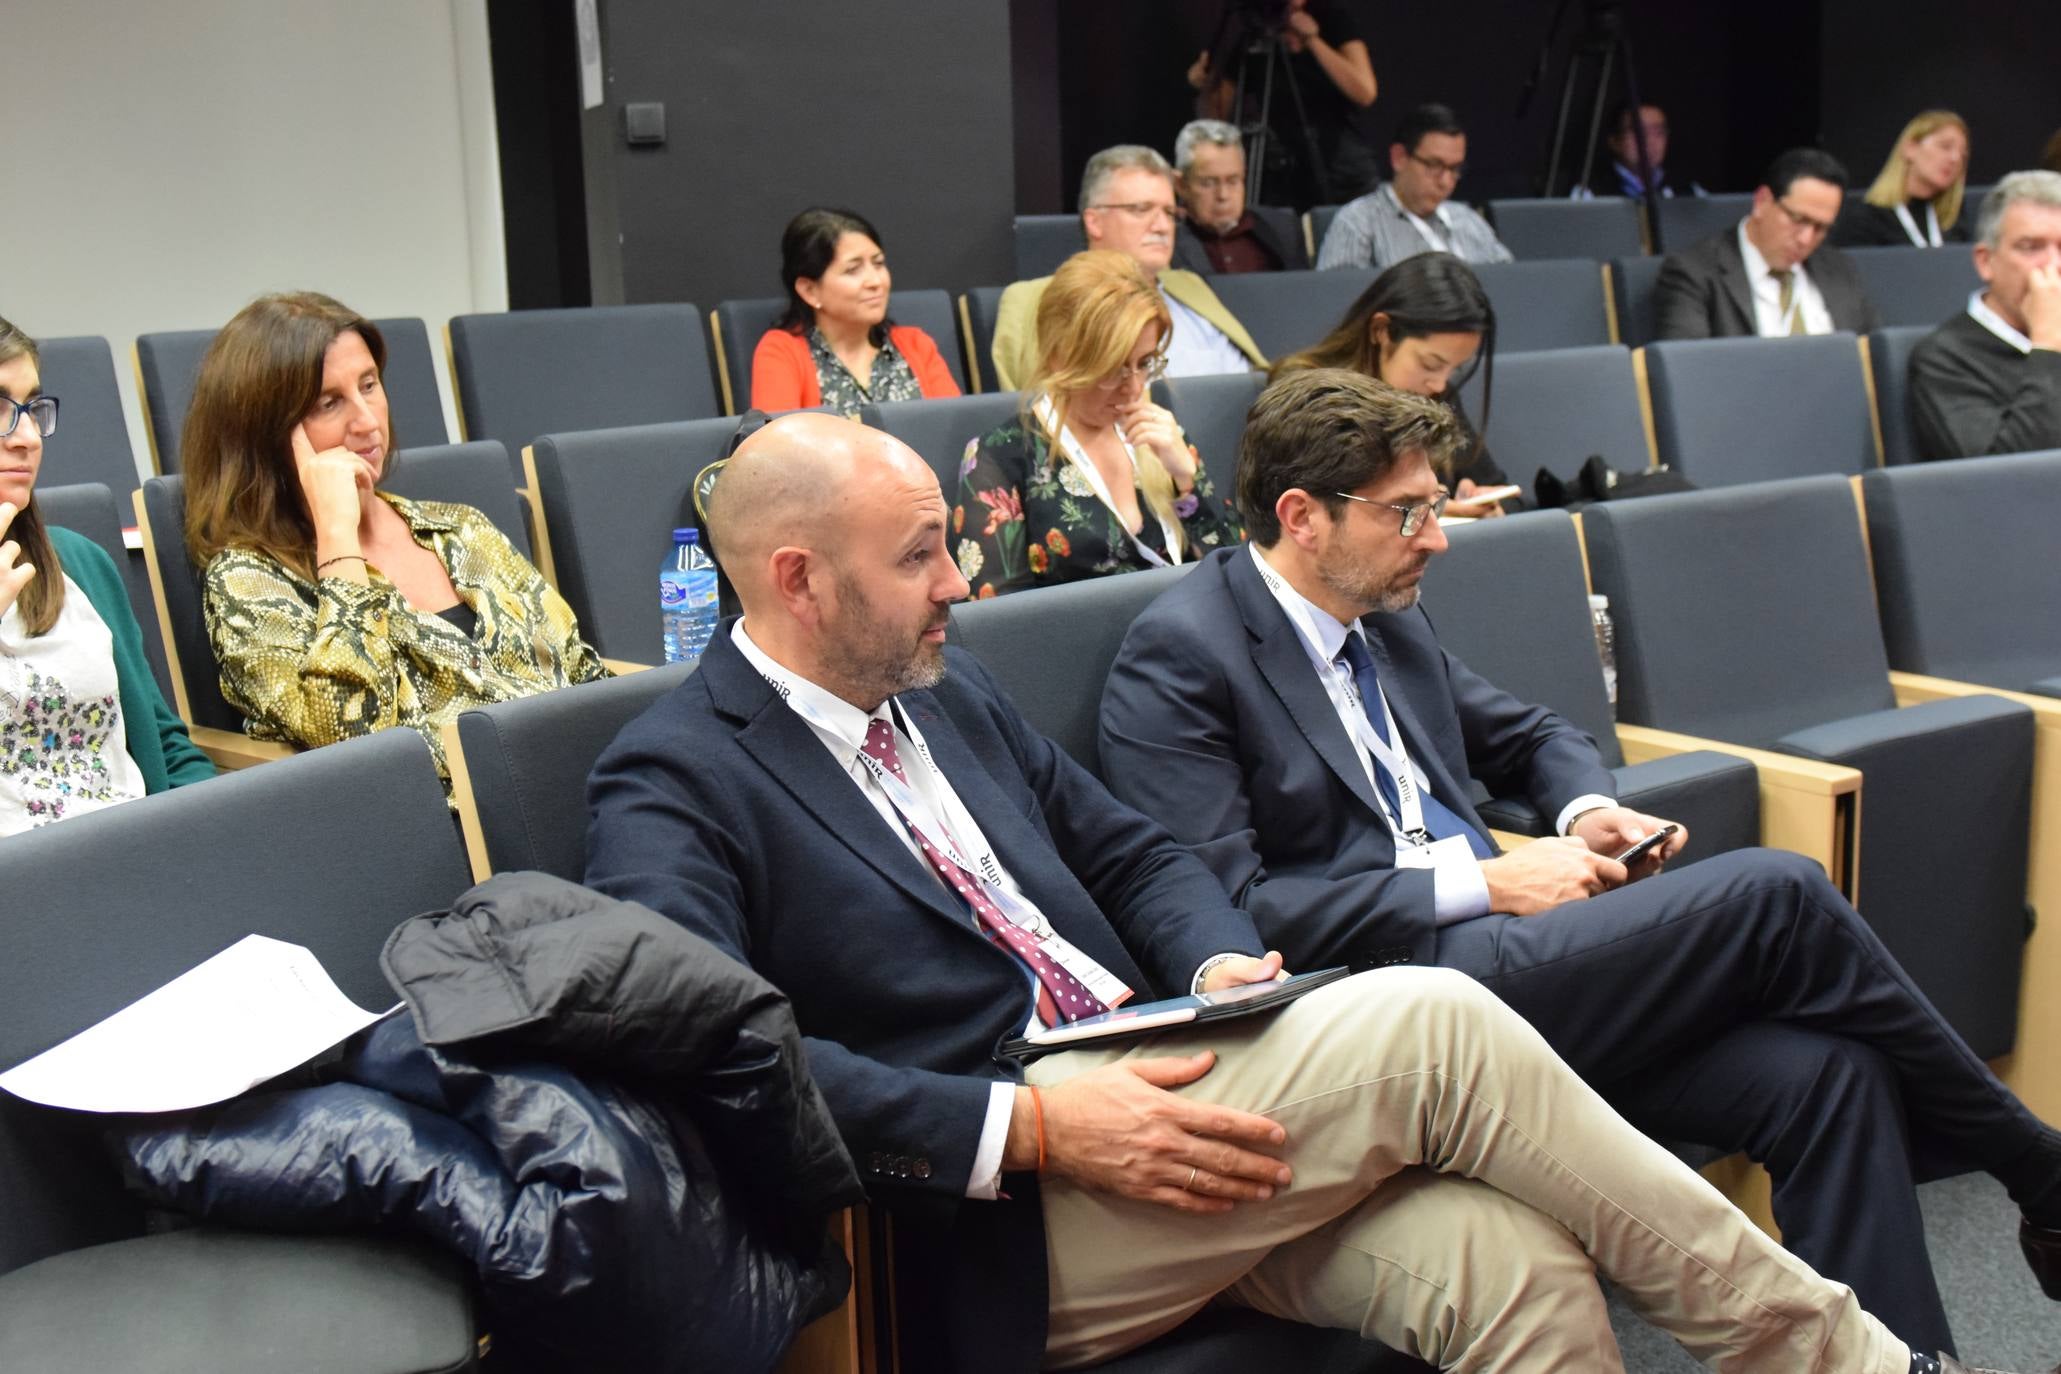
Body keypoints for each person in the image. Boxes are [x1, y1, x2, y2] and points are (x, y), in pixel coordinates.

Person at [583, 408, 1981, 1374]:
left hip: (1169, 1077)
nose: (959, 582)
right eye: (919, 557)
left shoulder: (947, 697)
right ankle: (1842, 1355)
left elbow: (1135, 853)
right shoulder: (675, 777)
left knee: (1521, 1267)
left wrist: (1218, 965)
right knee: (1432, 1021)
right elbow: (713, 1054)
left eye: (950, 542)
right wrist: (1033, 1128)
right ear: (796, 580)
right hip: (994, 1215)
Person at [1096, 367, 2061, 1361]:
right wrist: (1487, 881)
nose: (1437, 537)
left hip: (1522, 969)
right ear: (1303, 516)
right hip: (1399, 1011)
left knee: (1829, 1073)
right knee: (1778, 892)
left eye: (1435, 507)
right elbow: (1238, 913)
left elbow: (1532, 735)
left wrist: (1588, 808)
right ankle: (2038, 1170)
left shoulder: (1385, 613)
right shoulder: (1182, 658)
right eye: (1410, 512)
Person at [183, 292, 609, 783]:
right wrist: (338, 537)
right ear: (267, 434)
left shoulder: (456, 527)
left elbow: (581, 671)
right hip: (448, 833)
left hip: (579, 787)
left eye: (369, 385)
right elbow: (353, 747)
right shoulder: (248, 580)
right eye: (329, 403)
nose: (367, 421)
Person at [0, 317, 211, 835]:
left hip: (136, 859)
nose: (26, 437)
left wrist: (216, 836)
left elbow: (166, 747)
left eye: (31, 409)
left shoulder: (80, 563)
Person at [953, 252, 1241, 599]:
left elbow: (1236, 574)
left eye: (1145, 363)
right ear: (1061, 357)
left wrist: (1186, 480)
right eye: (1114, 367)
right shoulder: (999, 457)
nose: (1134, 387)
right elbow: (999, 622)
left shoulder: (1160, 433)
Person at [990, 146, 1264, 392]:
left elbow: (1252, 376)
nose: (1162, 226)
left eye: (1168, 213)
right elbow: (1040, 408)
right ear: (1094, 222)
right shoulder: (1036, 300)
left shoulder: (1188, 285)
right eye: (1141, 209)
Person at [1272, 252, 1519, 517]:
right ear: (1382, 330)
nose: (1439, 383)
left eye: (1453, 369)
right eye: (1430, 364)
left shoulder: (1436, 393)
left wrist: (1489, 505)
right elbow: (1308, 515)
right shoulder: (1309, 395)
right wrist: (1429, 513)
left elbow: (1509, 495)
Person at [749, 208, 961, 417]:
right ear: (810, 290)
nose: (876, 282)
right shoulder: (781, 351)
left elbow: (956, 429)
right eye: (853, 270)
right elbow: (777, 444)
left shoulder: (917, 345)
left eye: (878, 264)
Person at [1910, 171, 2061, 461]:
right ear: (1986, 262)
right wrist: (2048, 345)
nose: (2053, 266)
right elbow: (2007, 474)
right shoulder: (1945, 357)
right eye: (2030, 247)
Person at [1654, 147, 1880, 339]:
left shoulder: (1840, 270)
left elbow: (1869, 358)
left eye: (1821, 228)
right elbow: (1690, 370)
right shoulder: (1694, 273)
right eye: (1798, 220)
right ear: (1762, 201)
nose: (1806, 239)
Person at [1185, 0, 1380, 203]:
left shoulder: (1330, 19)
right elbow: (1214, 121)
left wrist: (1313, 41)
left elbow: (1365, 91)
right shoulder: (1254, 36)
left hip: (1343, 169)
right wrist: (1205, 85)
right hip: (1285, 176)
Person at [1315, 104, 1513, 271]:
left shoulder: (1468, 221)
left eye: (1454, 168)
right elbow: (1337, 301)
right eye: (1434, 166)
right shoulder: (1358, 223)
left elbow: (1510, 283)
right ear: (1399, 158)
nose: (1445, 181)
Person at [1169, 121, 1307, 275]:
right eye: (1208, 183)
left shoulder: (1283, 229)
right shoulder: (1166, 243)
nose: (1223, 195)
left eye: (1233, 181)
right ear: (1180, 185)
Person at [1833, 112, 1972, 248]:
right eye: (1945, 146)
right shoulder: (1866, 218)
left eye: (1963, 155)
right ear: (1910, 148)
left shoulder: (1953, 220)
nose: (1955, 159)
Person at [1572, 102, 1706, 200]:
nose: (1649, 141)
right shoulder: (1587, 192)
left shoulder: (1689, 190)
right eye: (1638, 131)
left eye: (1659, 132)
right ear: (1614, 141)